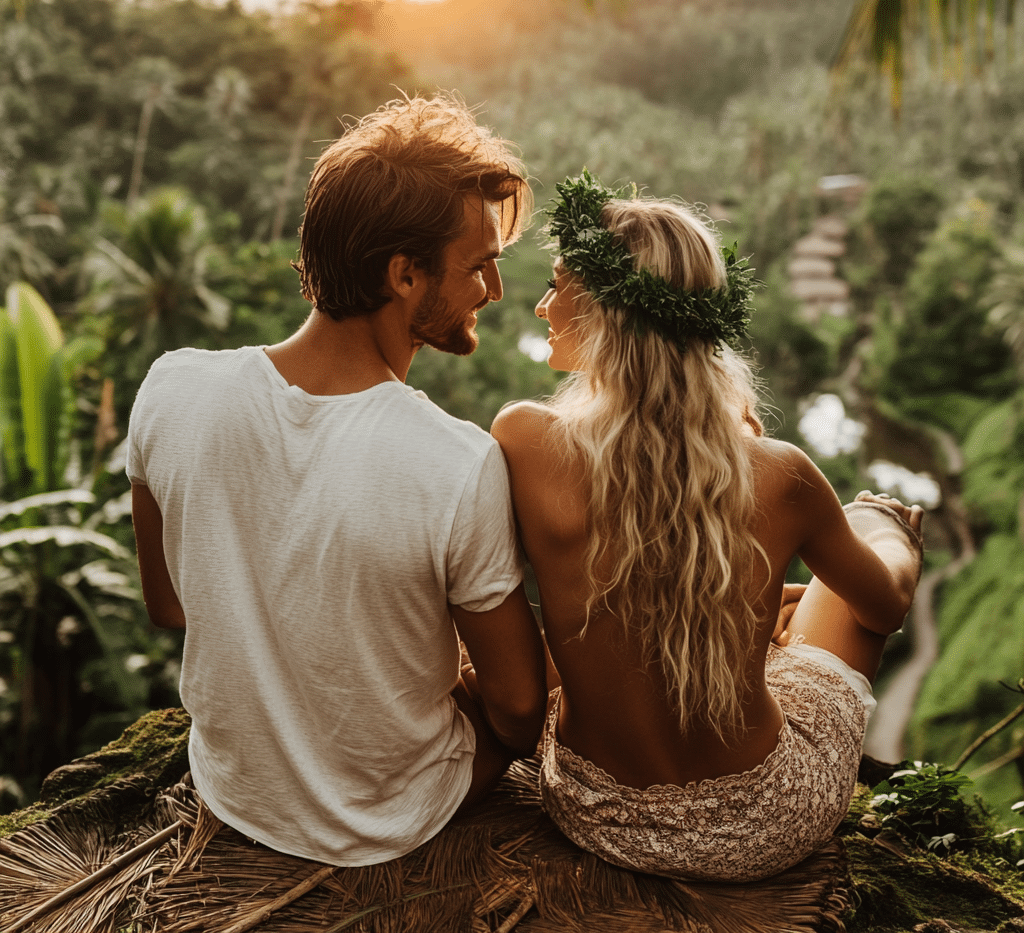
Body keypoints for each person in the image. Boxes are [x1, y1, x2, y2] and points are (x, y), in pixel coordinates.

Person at [127, 94, 548, 867]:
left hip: (235, 790)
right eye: (480, 265)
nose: (492, 290)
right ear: (404, 275)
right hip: (397, 818)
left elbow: (169, 604)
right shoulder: (455, 462)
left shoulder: (171, 388)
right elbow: (520, 714)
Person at [491, 171, 924, 882]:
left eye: (557, 285)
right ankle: (876, 519)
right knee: (858, 553)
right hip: (761, 824)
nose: (542, 306)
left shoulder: (524, 440)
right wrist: (885, 529)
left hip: (594, 811)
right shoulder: (779, 474)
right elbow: (883, 605)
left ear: (604, 309)